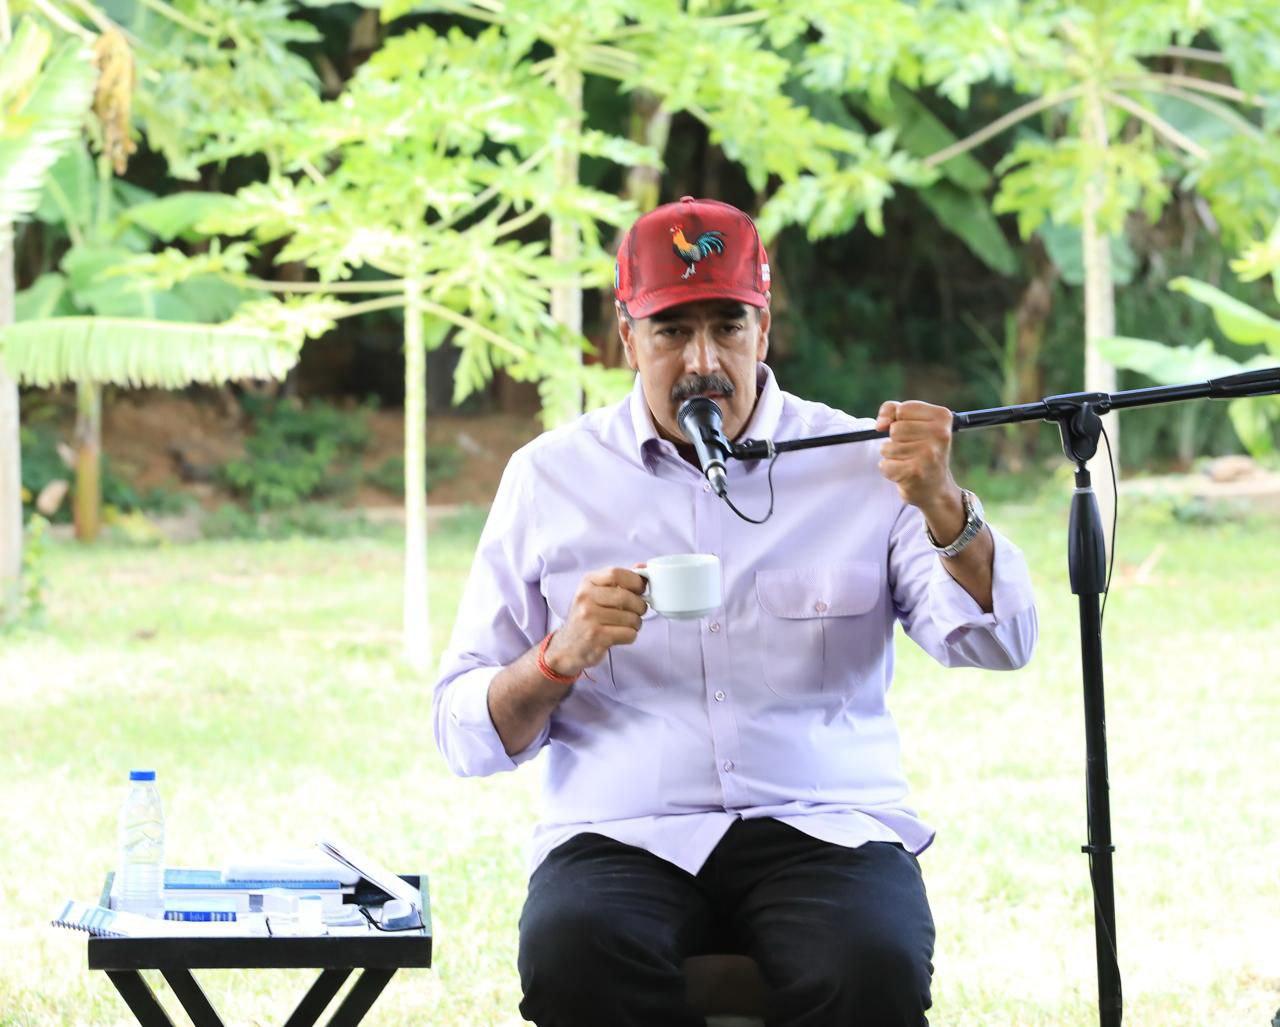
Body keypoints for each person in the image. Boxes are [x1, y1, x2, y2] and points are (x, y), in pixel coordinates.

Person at [433, 196, 1038, 1026]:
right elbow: (461, 731)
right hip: (621, 831)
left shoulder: (862, 462)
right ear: (627, 339)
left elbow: (1001, 641)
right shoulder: (549, 478)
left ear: (765, 329)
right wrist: (557, 656)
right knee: (573, 951)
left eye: (727, 326)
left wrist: (943, 503)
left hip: (823, 825)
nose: (703, 360)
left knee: (871, 961)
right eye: (671, 331)